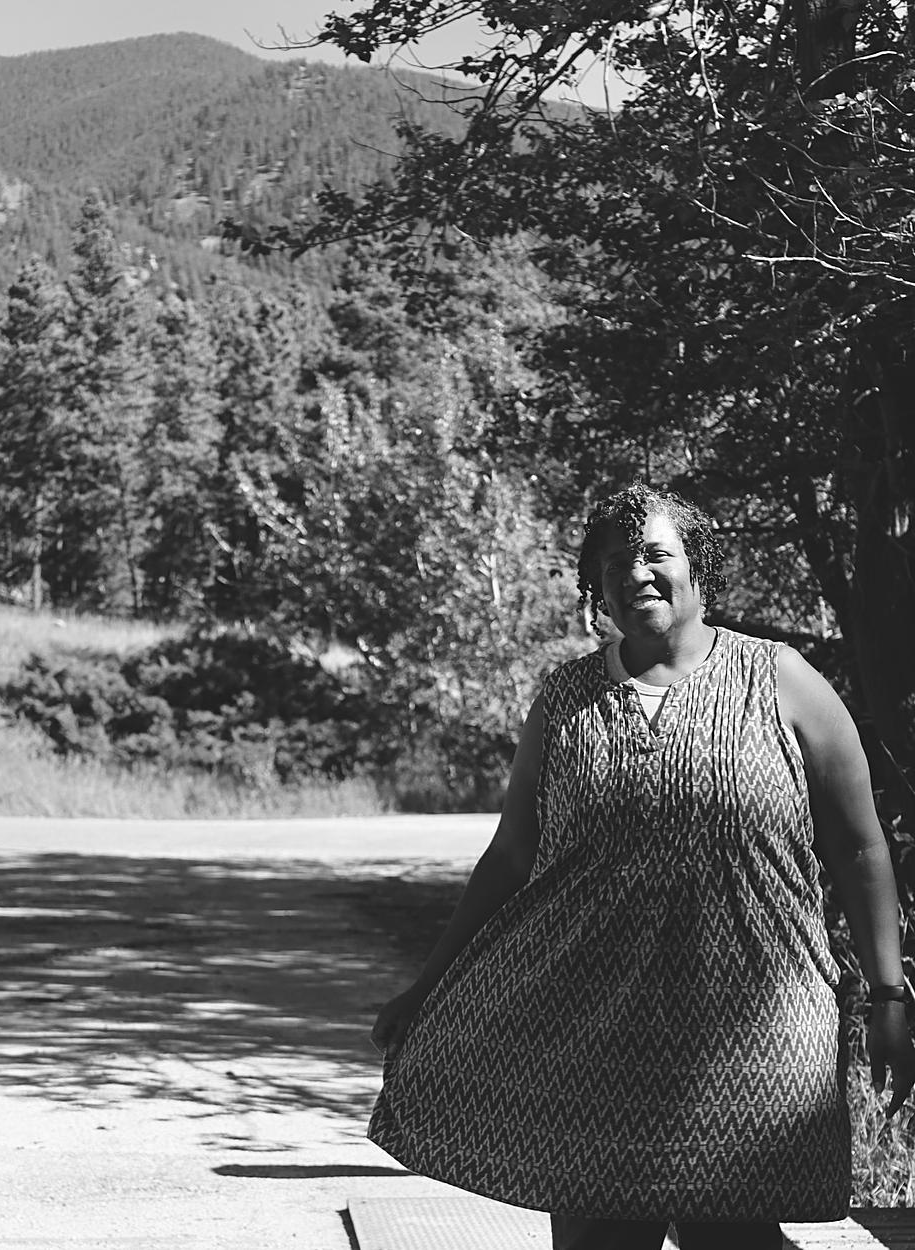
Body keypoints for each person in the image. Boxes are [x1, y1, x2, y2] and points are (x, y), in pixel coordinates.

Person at [367, 483, 915, 1250]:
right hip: (589, 1029)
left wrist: (889, 996)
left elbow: (859, 847)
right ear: (596, 586)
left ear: (698, 568)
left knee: (734, 1239)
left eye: (657, 554)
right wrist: (428, 985)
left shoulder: (780, 679)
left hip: (750, 1033)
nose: (636, 574)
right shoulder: (566, 699)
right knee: (599, 1238)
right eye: (614, 564)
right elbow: (512, 856)